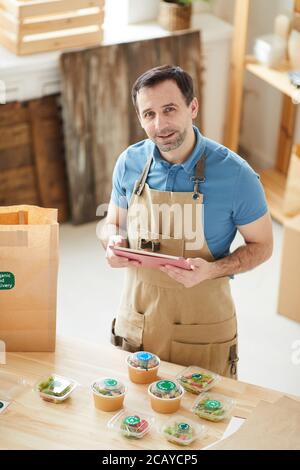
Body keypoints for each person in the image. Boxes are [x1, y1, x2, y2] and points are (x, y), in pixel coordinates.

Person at [100, 65, 273, 379]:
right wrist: (112, 241)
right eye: (149, 114)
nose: (160, 124)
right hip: (138, 320)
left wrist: (214, 270)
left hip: (202, 328)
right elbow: (111, 223)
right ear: (139, 118)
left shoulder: (237, 176)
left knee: (202, 419)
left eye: (169, 109)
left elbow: (263, 245)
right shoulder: (130, 163)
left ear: (193, 107)